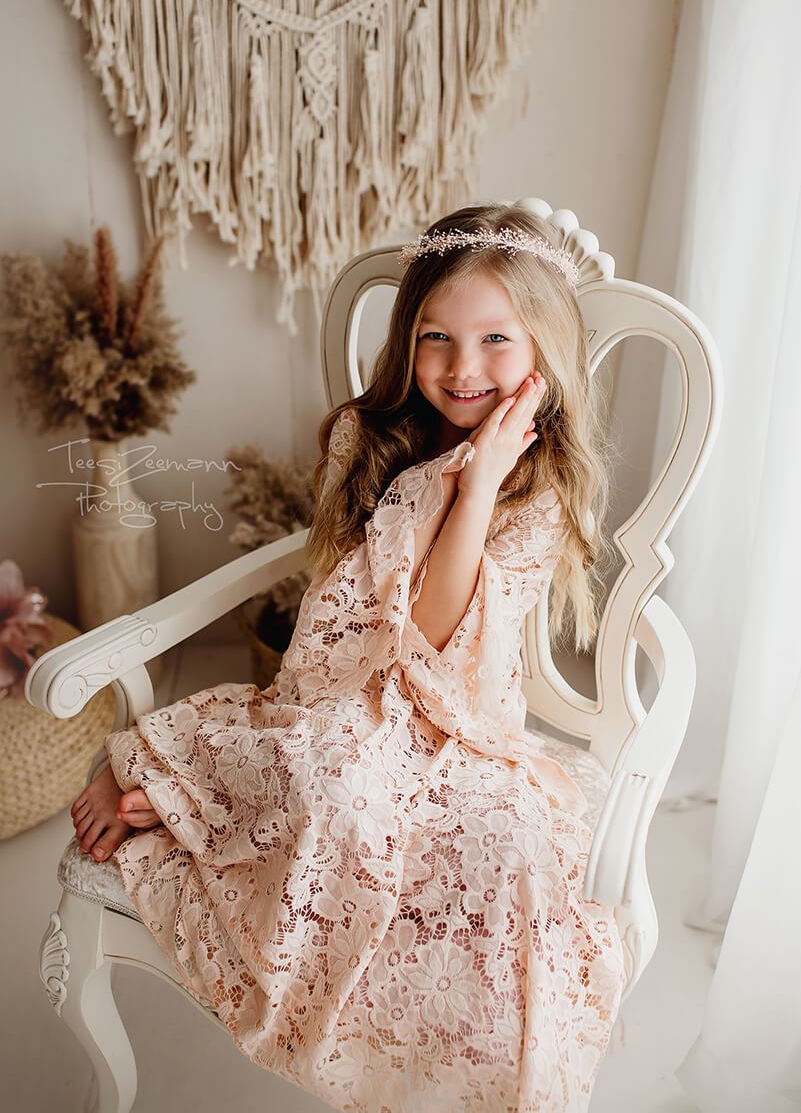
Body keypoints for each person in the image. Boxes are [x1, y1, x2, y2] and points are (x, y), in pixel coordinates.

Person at [70, 203, 627, 1112]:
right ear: (408, 340)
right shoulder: (365, 438)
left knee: (499, 847)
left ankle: (188, 803)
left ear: (541, 350)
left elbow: (443, 638)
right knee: (327, 768)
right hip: (348, 689)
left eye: (495, 339)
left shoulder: (541, 480)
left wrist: (477, 485)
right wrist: (436, 480)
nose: (462, 367)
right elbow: (356, 630)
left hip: (459, 712)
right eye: (437, 337)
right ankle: (171, 783)